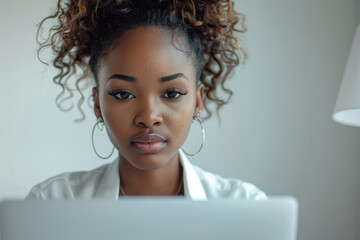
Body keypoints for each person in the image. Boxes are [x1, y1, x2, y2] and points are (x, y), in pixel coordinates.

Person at [25, 0, 266, 200]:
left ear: (197, 101)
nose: (148, 117)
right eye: (123, 94)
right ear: (98, 104)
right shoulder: (52, 203)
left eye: (172, 94)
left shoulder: (245, 205)